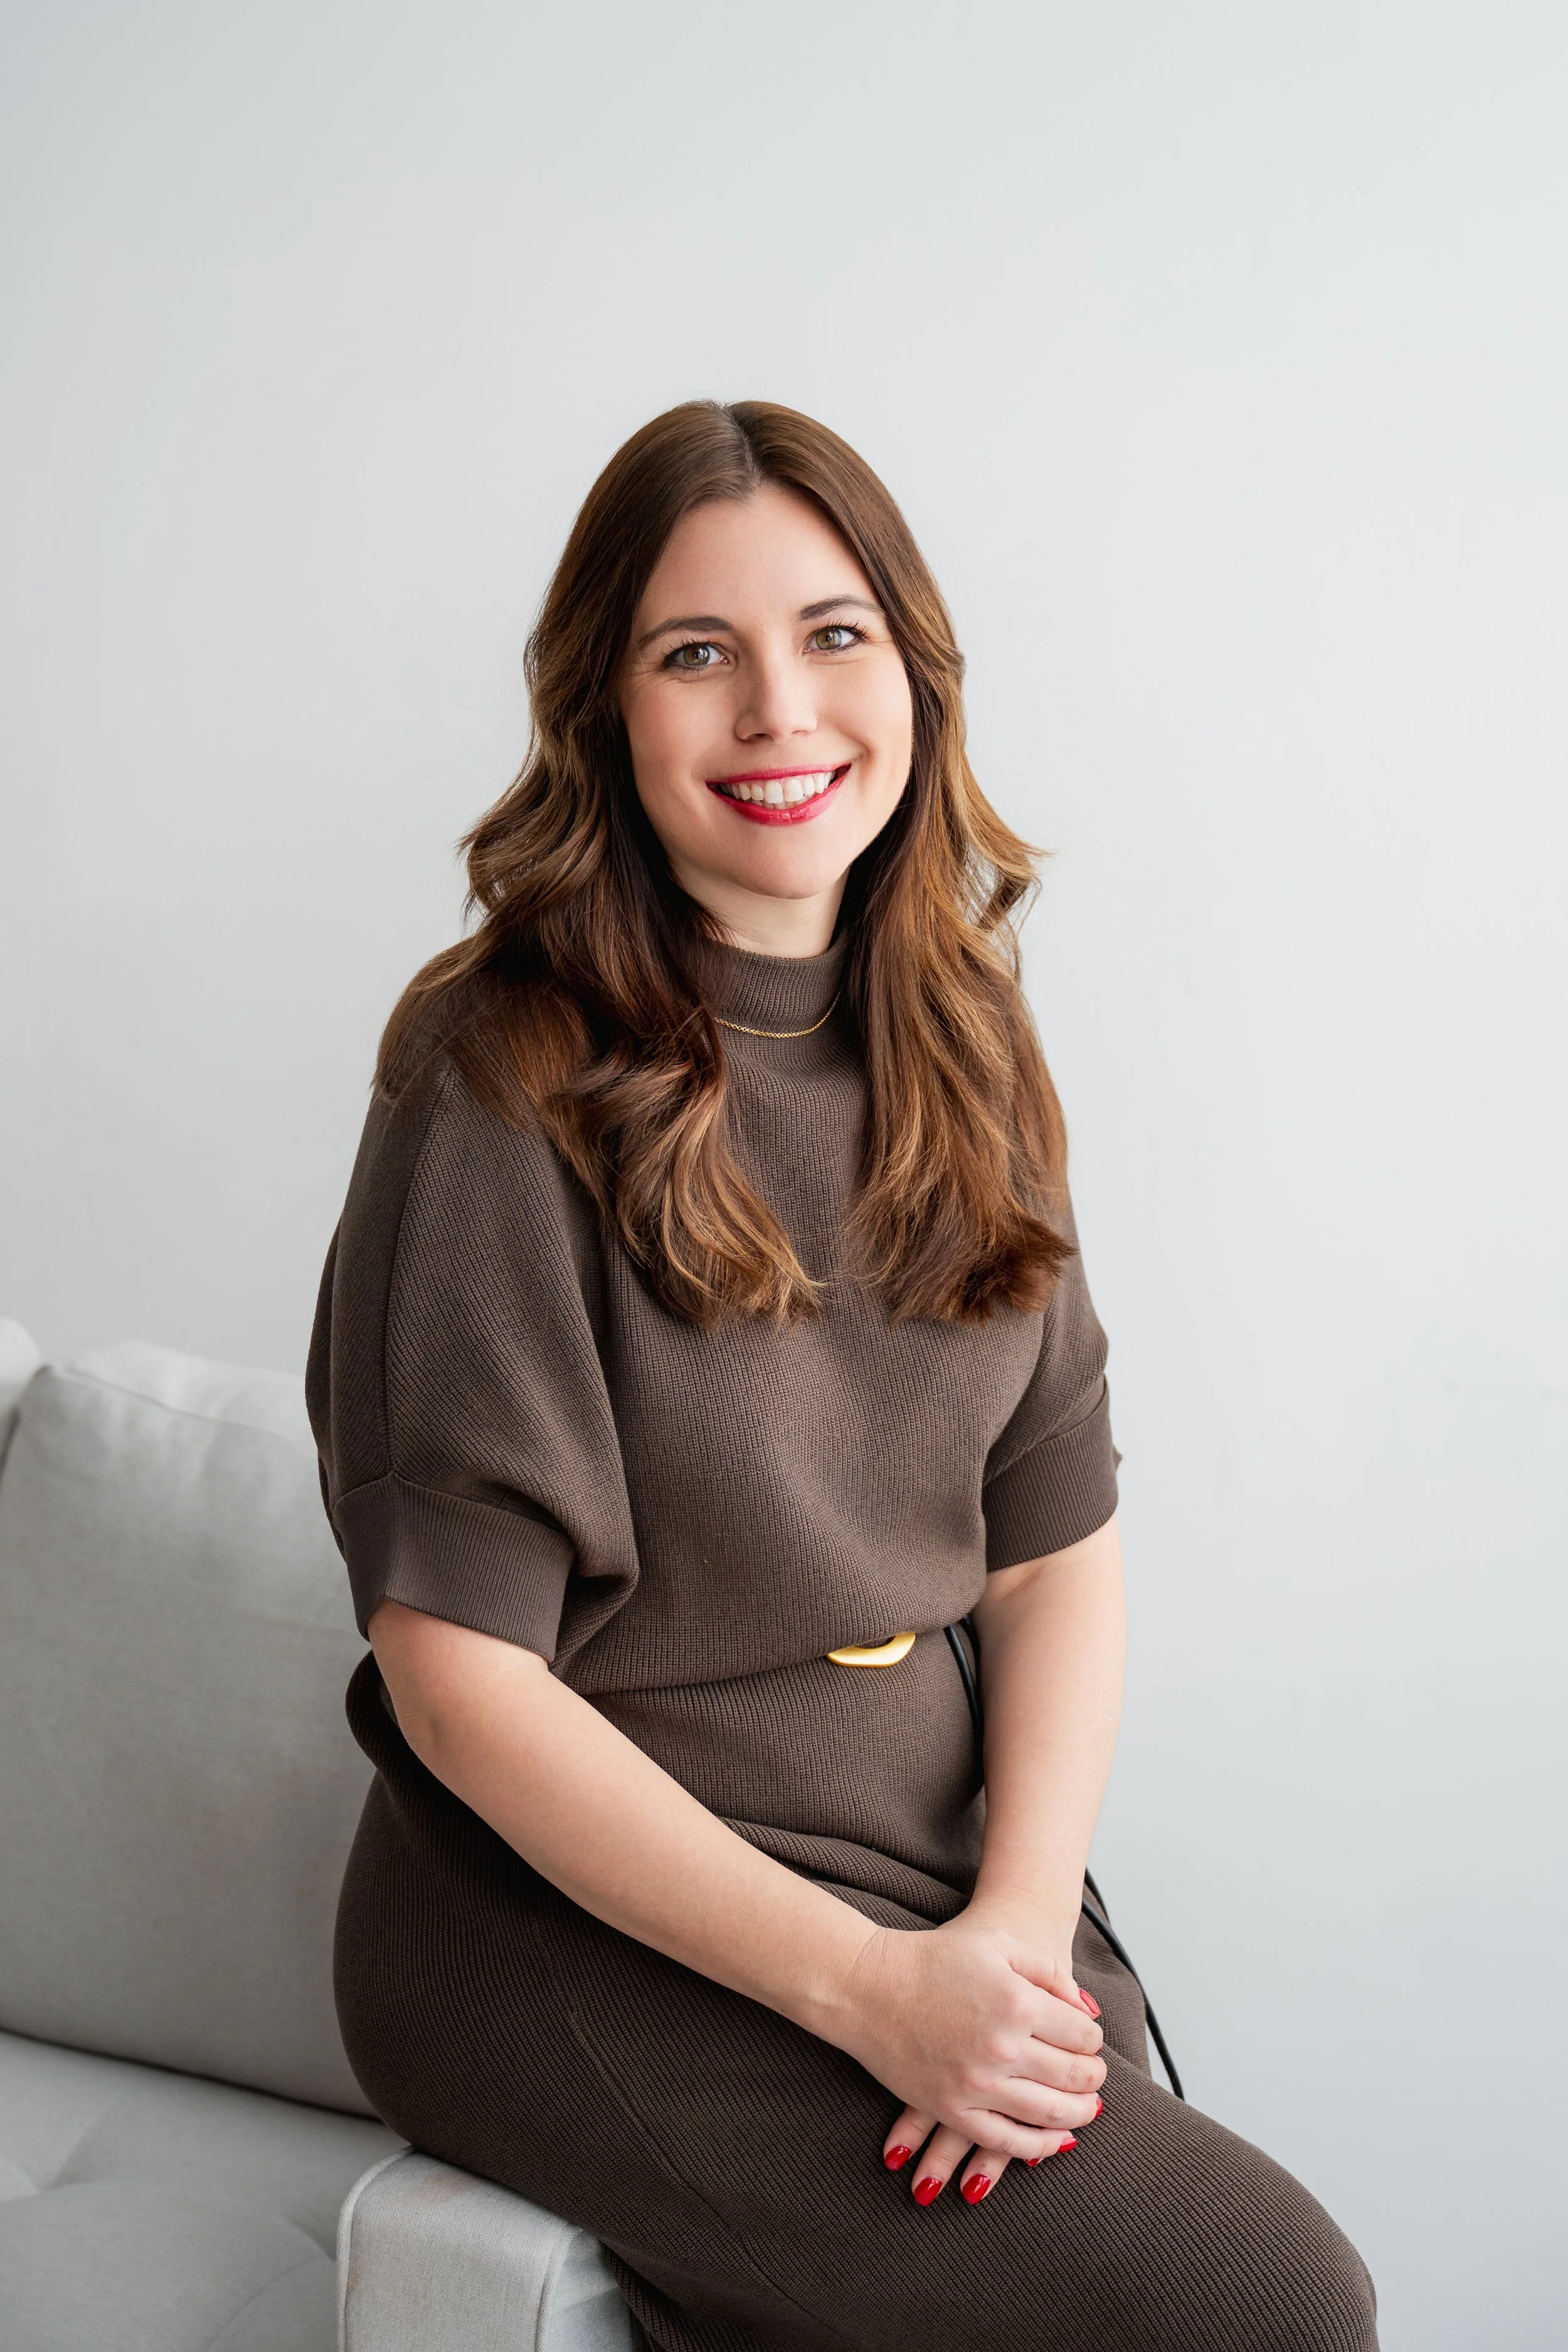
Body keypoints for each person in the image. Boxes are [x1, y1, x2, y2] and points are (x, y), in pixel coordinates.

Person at [308, 399, 1377, 2351]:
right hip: (555, 1921)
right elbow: (457, 1681)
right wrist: (865, 1992)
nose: (776, 710)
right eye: (692, 653)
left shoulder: (961, 1031)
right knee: (1264, 2297)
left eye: (832, 634)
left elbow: (1053, 1558)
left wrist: (1011, 1930)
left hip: (922, 1859)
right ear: (604, 714)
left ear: (912, 669)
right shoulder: (496, 1068)